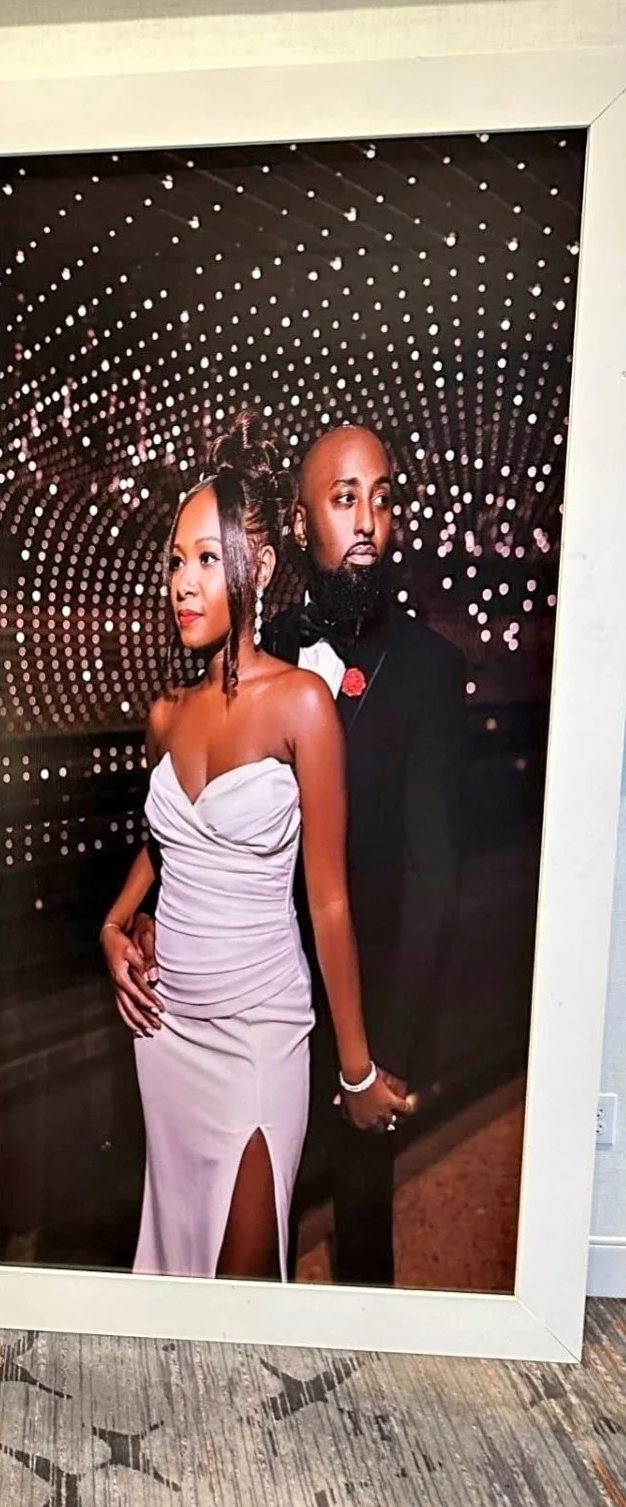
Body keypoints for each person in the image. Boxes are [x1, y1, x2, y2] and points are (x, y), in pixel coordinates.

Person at [100, 414, 409, 1281]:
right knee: (173, 1278)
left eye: (207, 558)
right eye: (174, 560)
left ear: (258, 567)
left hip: (258, 1035)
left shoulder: (303, 704)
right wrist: (115, 926)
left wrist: (355, 1073)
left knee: (241, 1287)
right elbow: (167, 842)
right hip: (165, 1035)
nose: (183, 583)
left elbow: (331, 900)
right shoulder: (166, 713)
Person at [262, 424, 467, 1286]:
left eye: (382, 499)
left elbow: (435, 875)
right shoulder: (263, 650)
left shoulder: (427, 668)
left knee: (362, 1237)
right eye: (344, 499)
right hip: (262, 991)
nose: (367, 522)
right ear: (304, 521)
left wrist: (393, 1055)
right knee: (256, 1221)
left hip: (370, 1007)